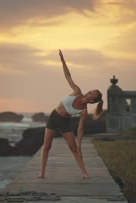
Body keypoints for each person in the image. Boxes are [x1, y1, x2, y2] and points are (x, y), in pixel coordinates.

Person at [39, 49, 103, 179]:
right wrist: (63, 61)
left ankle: (84, 173)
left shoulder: (83, 111)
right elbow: (68, 76)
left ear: (91, 100)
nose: (88, 92)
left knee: (74, 149)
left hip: (64, 122)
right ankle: (42, 173)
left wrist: (79, 144)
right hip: (53, 117)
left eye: (91, 93)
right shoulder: (77, 91)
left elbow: (80, 129)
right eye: (90, 90)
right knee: (46, 146)